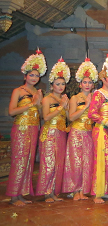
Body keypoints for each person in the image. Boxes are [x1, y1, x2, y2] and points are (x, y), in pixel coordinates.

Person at [7, 49, 45, 206]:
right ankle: (13, 196)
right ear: (25, 76)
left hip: (34, 129)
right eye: (31, 75)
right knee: (19, 161)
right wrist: (32, 103)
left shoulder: (37, 92)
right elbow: (11, 112)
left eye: (37, 75)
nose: (34, 78)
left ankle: (21, 194)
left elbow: (41, 114)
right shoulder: (18, 91)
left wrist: (40, 102)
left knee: (29, 162)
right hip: (21, 129)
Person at [62, 58, 98, 201]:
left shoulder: (95, 97)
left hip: (89, 133)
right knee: (76, 162)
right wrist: (86, 106)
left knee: (88, 162)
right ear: (80, 84)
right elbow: (71, 117)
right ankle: (75, 190)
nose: (87, 84)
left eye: (90, 82)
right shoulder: (75, 98)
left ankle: (84, 190)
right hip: (76, 132)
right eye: (85, 82)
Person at [36, 58, 70, 202]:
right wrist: (61, 106)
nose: (60, 86)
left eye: (62, 84)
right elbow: (46, 117)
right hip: (49, 133)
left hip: (61, 134)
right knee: (48, 162)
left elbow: (69, 117)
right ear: (51, 85)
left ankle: (54, 192)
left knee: (58, 163)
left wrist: (67, 106)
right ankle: (46, 192)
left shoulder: (63, 99)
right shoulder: (47, 99)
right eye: (57, 84)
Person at [88, 53, 108, 204]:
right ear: (103, 79)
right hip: (101, 130)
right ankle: (97, 192)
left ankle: (107, 189)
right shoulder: (99, 94)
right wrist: (106, 122)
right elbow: (92, 113)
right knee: (101, 160)